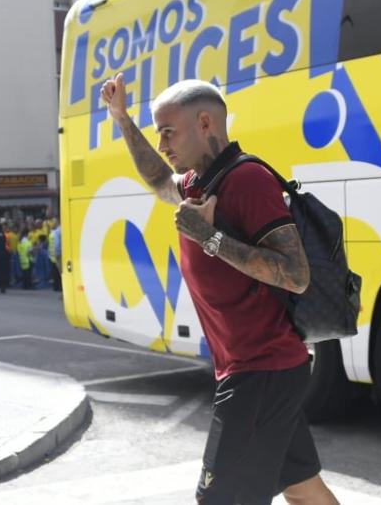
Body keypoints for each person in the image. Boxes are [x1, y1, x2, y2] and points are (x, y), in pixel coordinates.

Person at [102, 73, 339, 505]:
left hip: (260, 371)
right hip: (260, 367)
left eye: (169, 133)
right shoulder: (199, 181)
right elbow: (158, 180)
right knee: (305, 491)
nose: (163, 144)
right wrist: (122, 121)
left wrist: (209, 239)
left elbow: (295, 273)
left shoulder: (246, 180)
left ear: (206, 123)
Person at [48, 218, 62, 292]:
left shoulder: (56, 232)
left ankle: (58, 287)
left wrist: (57, 253)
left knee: (58, 272)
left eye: (53, 222)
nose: (52, 223)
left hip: (57, 255)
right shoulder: (61, 230)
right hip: (57, 254)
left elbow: (57, 244)